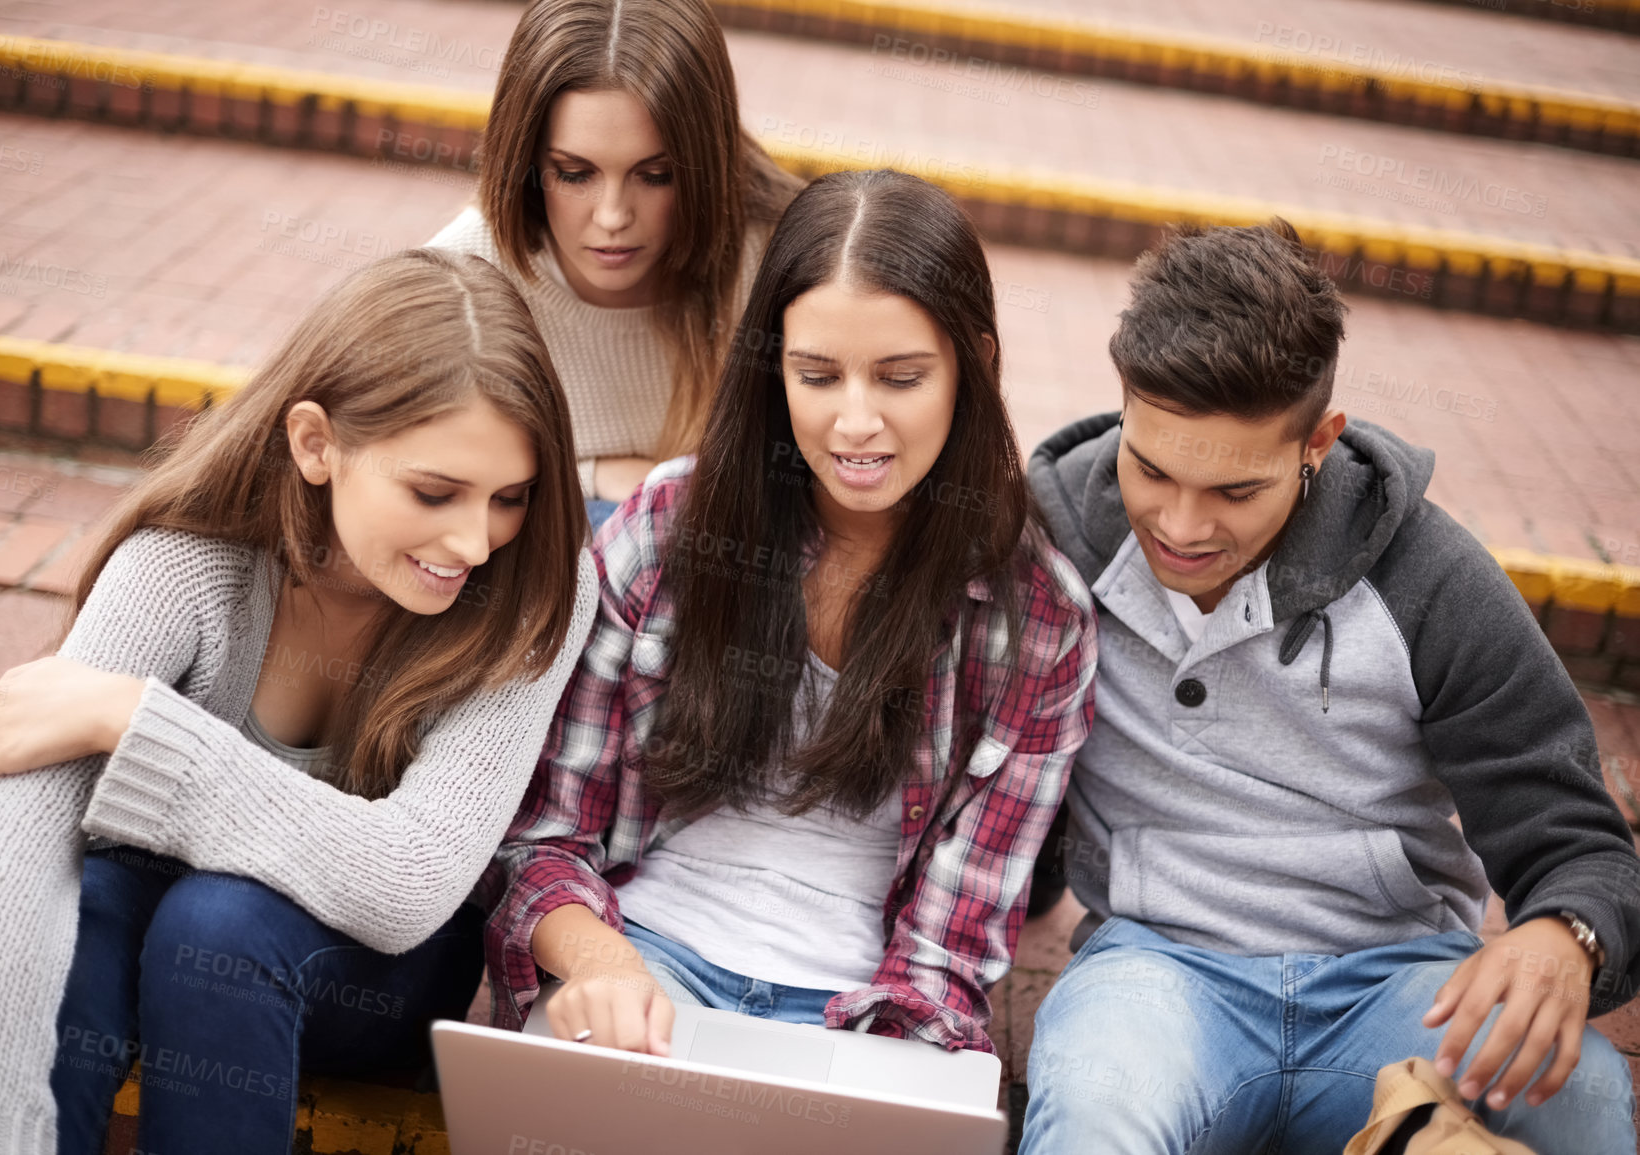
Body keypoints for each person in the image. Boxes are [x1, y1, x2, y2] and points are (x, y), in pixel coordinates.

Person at [0, 250, 598, 1155]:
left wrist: (138, 726)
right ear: (316, 443)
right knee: (90, 904)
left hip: (375, 966)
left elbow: (409, 879)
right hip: (155, 922)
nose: (473, 539)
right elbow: (12, 819)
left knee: (219, 926)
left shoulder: (537, 588)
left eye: (509, 497)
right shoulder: (185, 562)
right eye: (433, 491)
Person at [1020, 219, 1640, 1153]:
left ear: (1318, 441)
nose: (1179, 525)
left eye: (1235, 491)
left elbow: (1584, 846)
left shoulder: (1431, 579)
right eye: (1150, 468)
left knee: (1586, 1098)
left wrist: (1567, 935)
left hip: (1401, 989)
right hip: (1154, 975)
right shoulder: (1060, 539)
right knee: (1092, 1113)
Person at [478, 168, 1098, 1056]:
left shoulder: (1037, 622)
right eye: (817, 375)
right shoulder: (666, 530)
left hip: (868, 1009)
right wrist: (602, 964)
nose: (854, 422)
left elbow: (948, 951)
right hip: (640, 956)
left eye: (899, 378)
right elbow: (543, 833)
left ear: (975, 366)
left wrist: (867, 1069)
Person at [428, 0, 801, 528]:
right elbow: (401, 468)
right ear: (528, 159)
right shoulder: (462, 274)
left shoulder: (776, 259)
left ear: (706, 163)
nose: (613, 217)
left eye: (656, 176)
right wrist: (592, 475)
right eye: (575, 173)